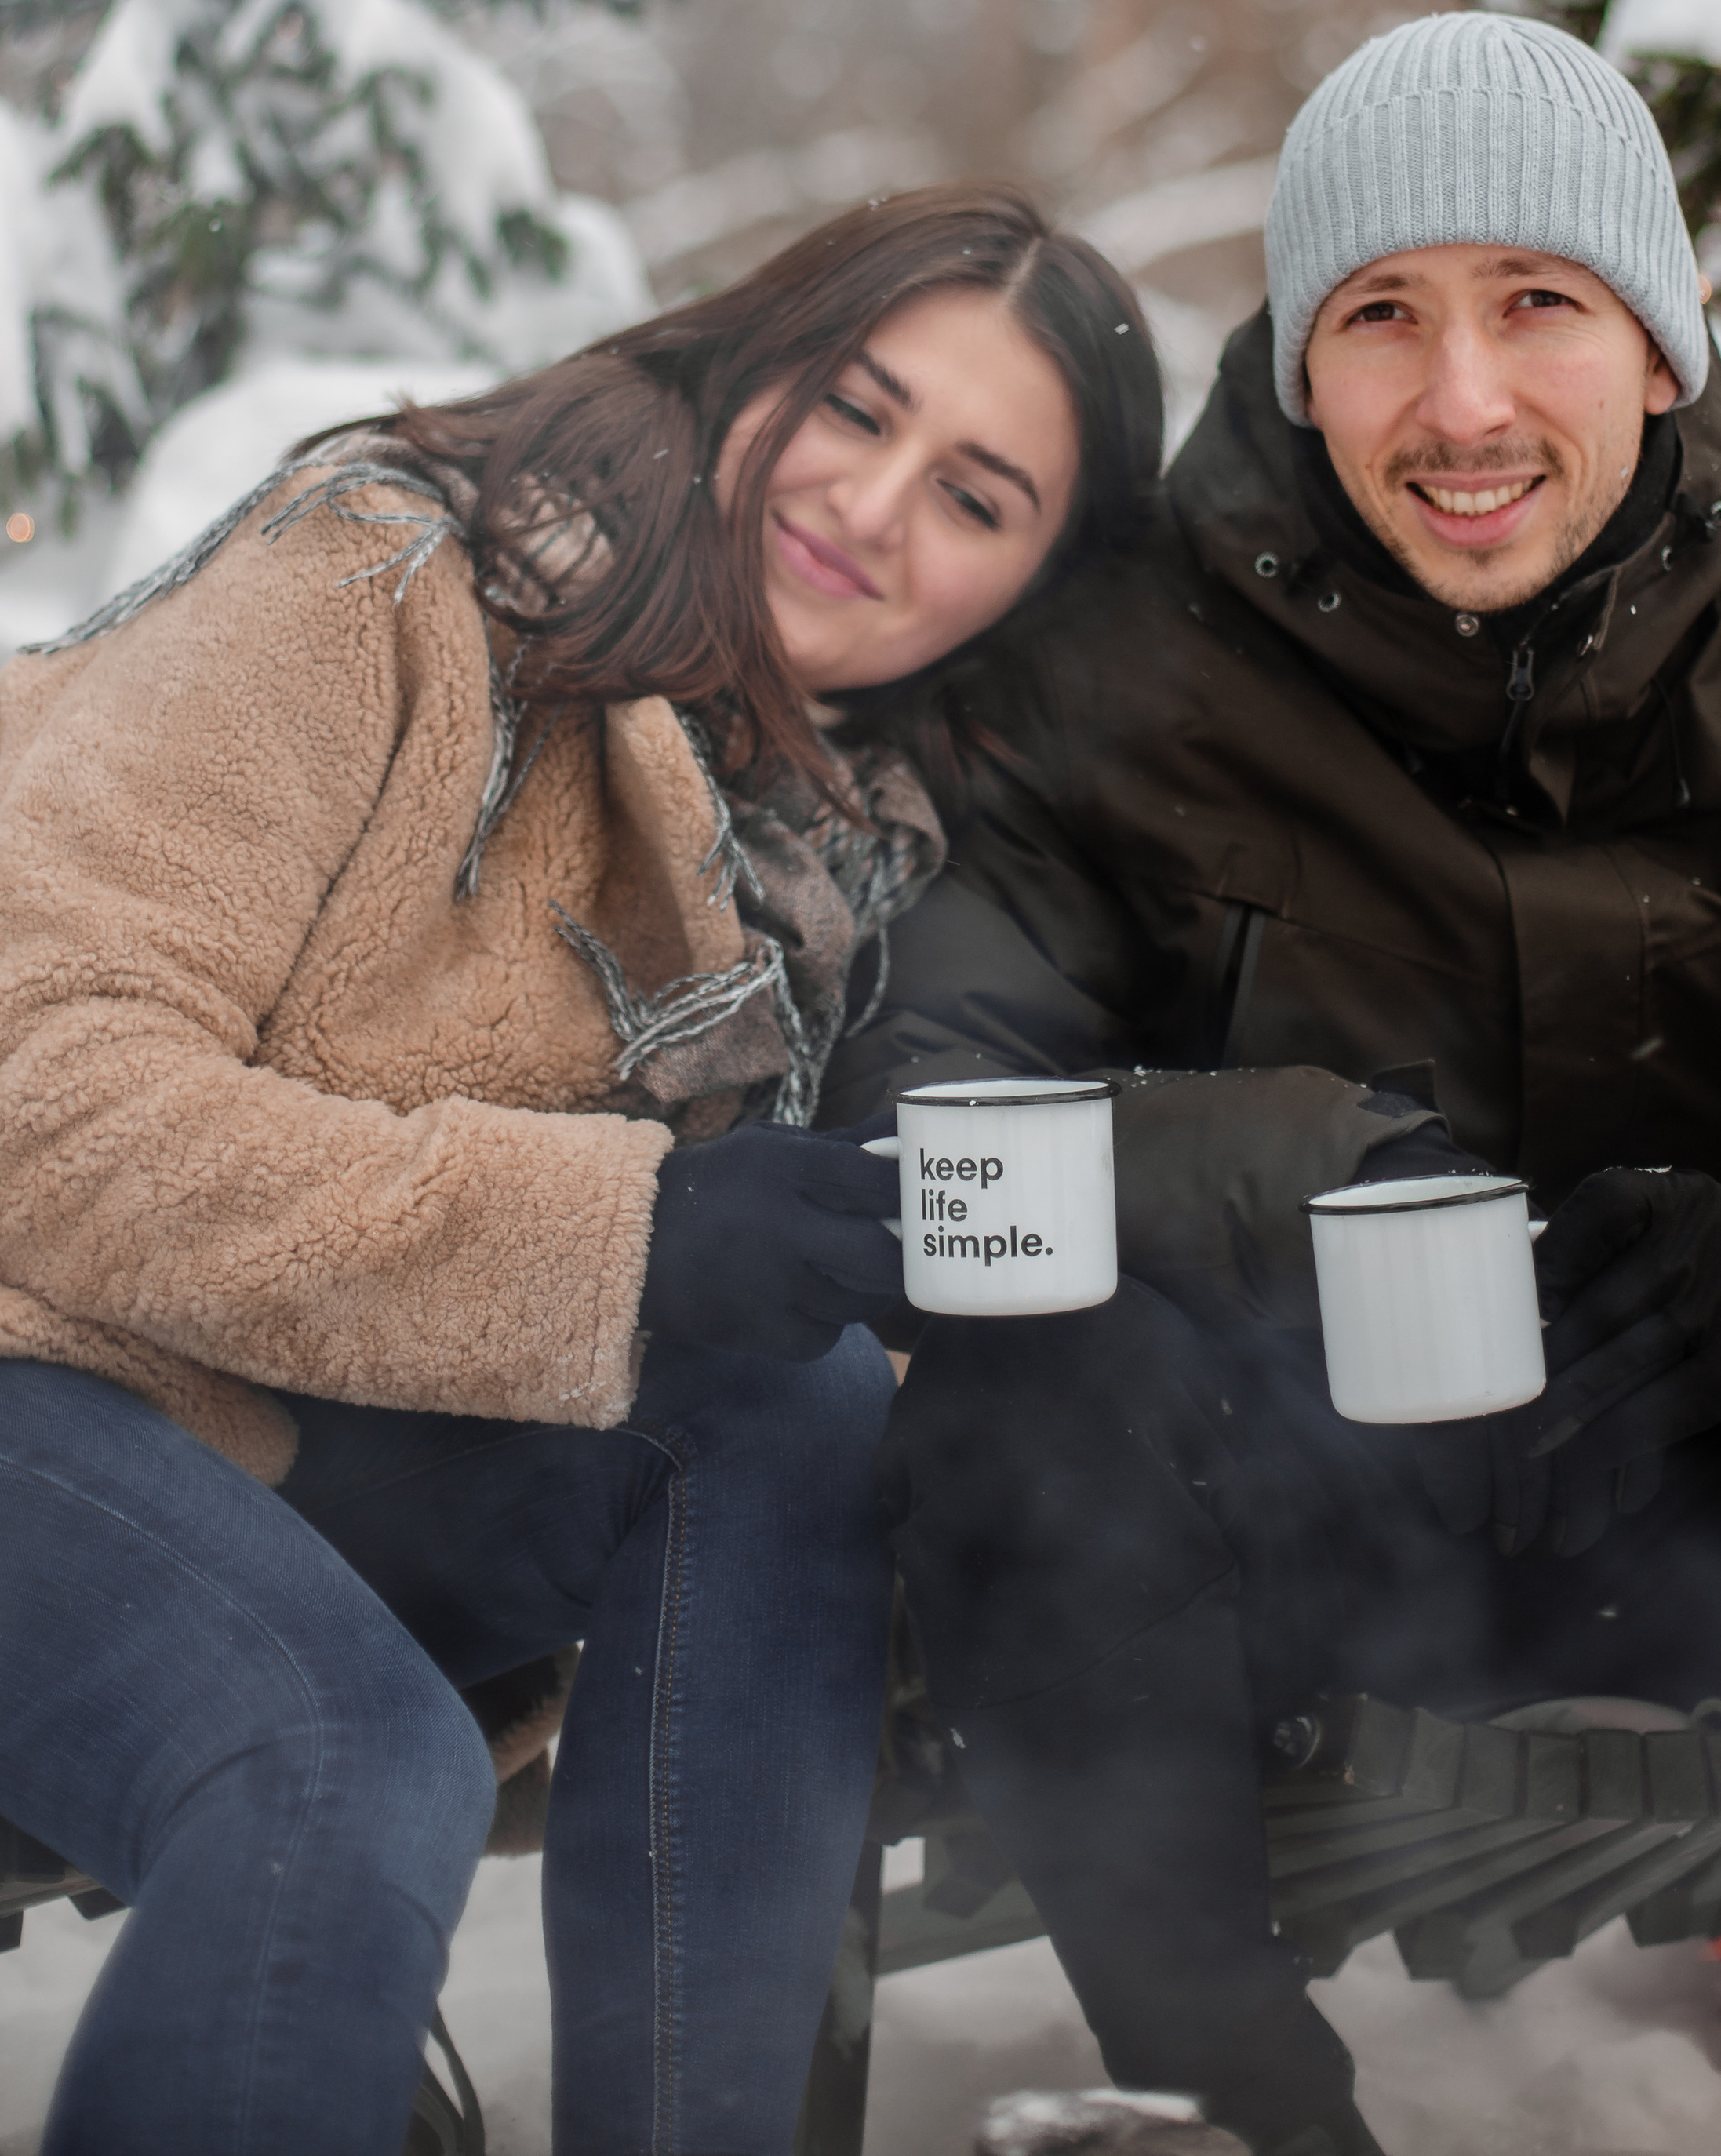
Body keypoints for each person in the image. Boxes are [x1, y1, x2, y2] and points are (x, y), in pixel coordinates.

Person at [827, 16, 1721, 2156]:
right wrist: (1274, 1175)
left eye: (1536, 301)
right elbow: (914, 1127)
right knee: (1027, 1398)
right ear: (1301, 356)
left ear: (1654, 338)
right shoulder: (1116, 670)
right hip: (1281, 1544)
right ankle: (1247, 2120)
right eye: (1382, 313)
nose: (1460, 404)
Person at [0, 184, 1163, 2156]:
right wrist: (623, 1238)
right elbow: (40, 1096)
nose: (874, 508)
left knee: (783, 1403)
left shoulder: (841, 837)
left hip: (270, 1436)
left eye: (975, 499)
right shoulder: (381, 573)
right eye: (856, 407)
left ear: (1028, 587)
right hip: (35, 1366)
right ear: (753, 361)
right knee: (340, 1756)